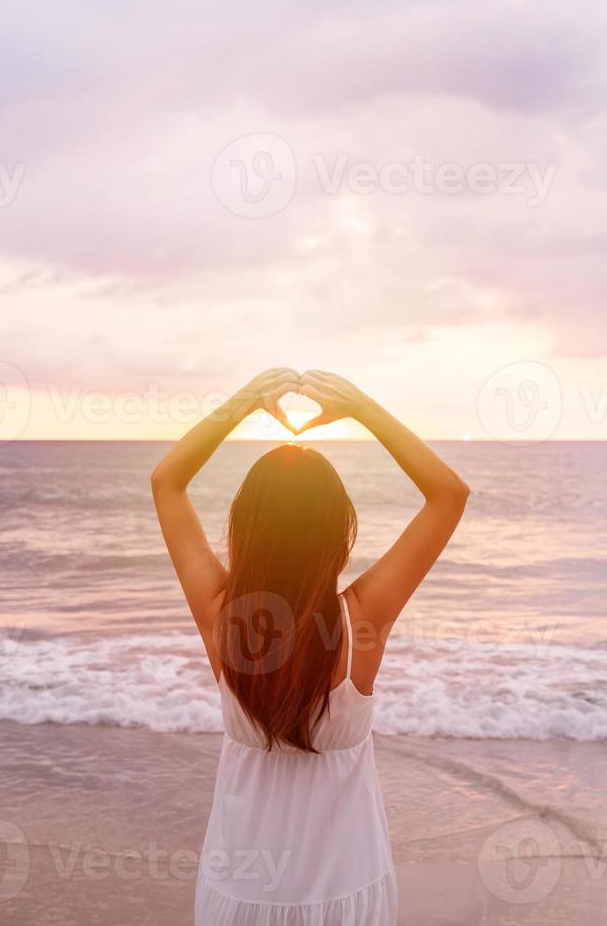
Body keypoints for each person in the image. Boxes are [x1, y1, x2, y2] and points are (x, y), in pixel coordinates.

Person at [151, 367, 470, 926]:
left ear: (244, 528)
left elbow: (167, 481)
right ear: (338, 533)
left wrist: (245, 401)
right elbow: (449, 495)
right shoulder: (361, 618)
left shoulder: (222, 614)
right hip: (348, 893)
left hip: (238, 895)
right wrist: (363, 408)